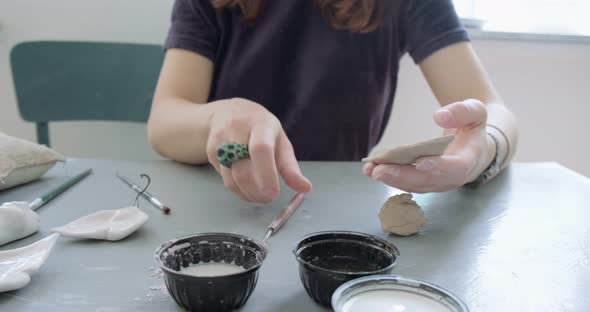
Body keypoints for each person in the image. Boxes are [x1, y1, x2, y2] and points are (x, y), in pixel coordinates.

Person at [147, 0, 518, 203]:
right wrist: (219, 117)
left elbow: (492, 111)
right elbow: (165, 121)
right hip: (220, 201)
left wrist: (481, 151)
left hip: (341, 205)